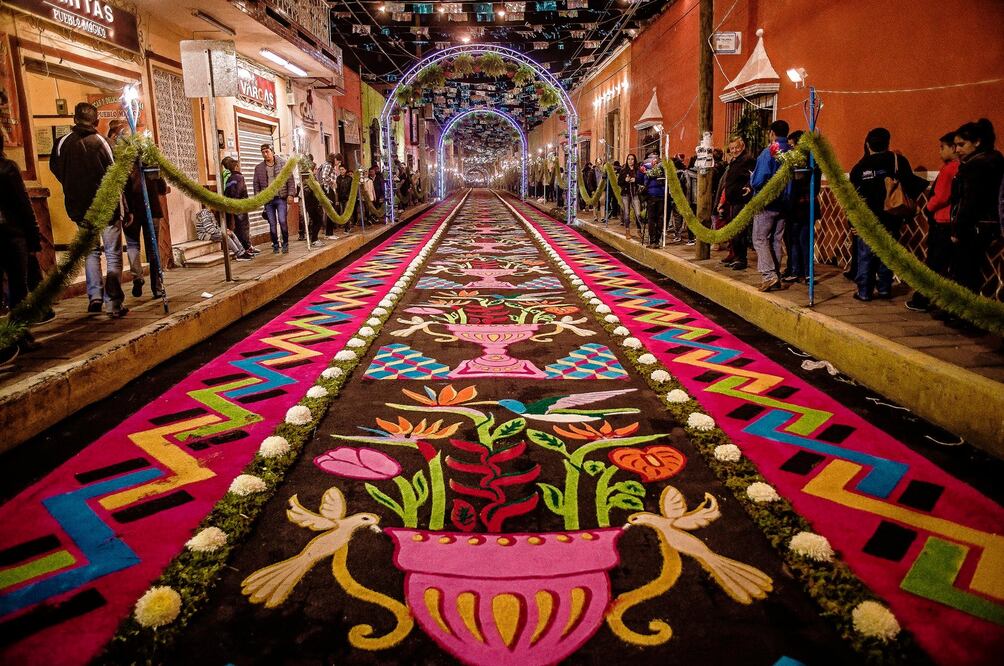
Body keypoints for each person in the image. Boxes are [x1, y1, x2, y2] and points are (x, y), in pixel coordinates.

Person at [49, 102, 127, 316]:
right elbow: (117, 176)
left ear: (74, 119)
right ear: (97, 121)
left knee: (90, 252)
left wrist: (73, 187)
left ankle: (95, 297)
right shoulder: (104, 142)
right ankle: (114, 303)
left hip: (78, 207)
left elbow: (56, 170)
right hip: (106, 206)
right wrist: (124, 207)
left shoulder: (61, 143)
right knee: (112, 254)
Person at [849, 128, 927, 301]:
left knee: (866, 256)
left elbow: (852, 198)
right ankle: (884, 289)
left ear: (868, 144)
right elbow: (910, 185)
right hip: (892, 216)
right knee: (888, 254)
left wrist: (852, 223)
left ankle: (864, 292)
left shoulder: (860, 166)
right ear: (888, 143)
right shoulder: (898, 161)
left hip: (866, 219)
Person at [108, 120, 167, 299]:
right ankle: (157, 286)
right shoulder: (150, 163)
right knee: (153, 248)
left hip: (131, 212)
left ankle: (137, 276)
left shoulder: (122, 167)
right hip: (150, 210)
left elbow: (122, 190)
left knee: (133, 246)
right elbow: (162, 188)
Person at [950, 118, 1004, 302]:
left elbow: (969, 202)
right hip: (985, 226)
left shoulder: (977, 166)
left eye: (961, 144)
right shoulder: (991, 161)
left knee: (965, 272)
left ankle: (966, 313)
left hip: (974, 228)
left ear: (977, 142)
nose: (957, 150)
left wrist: (958, 229)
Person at [905, 132, 959, 312]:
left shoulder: (950, 169)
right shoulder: (961, 168)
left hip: (942, 221)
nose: (939, 152)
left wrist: (927, 208)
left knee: (934, 264)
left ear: (953, 148)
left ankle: (922, 299)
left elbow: (941, 196)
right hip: (951, 222)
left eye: (942, 148)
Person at [0, 132, 46, 317]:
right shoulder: (8, 168)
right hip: (11, 234)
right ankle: (18, 333)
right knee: (18, 285)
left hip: (10, 233)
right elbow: (23, 204)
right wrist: (34, 237)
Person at [750, 120, 792, 291]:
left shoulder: (770, 152)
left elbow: (759, 179)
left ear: (772, 133)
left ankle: (769, 275)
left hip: (767, 202)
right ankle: (776, 275)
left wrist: (751, 180)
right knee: (775, 239)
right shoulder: (792, 152)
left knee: (760, 239)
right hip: (785, 202)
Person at [718, 137, 756, 269]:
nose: (734, 150)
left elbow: (752, 176)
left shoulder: (747, 160)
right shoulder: (734, 161)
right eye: (732, 148)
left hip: (741, 200)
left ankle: (741, 259)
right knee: (733, 230)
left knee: (739, 231)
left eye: (736, 147)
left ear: (742, 146)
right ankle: (735, 256)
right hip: (732, 200)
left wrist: (748, 187)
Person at [253, 143, 295, 254]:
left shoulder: (283, 164)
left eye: (267, 151)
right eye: (263, 152)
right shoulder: (259, 168)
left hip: (281, 198)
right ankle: (275, 245)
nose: (265, 154)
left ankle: (285, 243)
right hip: (268, 200)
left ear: (272, 151)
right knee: (272, 224)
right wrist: (258, 198)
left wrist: (291, 194)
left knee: (282, 221)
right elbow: (256, 184)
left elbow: (290, 181)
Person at [642, 152, 667, 247]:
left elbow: (645, 181)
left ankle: (653, 240)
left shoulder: (647, 169)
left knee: (652, 219)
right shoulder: (663, 167)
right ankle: (657, 240)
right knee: (660, 218)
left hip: (652, 195)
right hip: (661, 194)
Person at [618, 153, 644, 240]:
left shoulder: (638, 170)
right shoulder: (623, 170)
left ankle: (639, 229)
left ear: (634, 160)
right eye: (629, 159)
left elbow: (642, 180)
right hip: (625, 194)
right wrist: (625, 180)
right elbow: (619, 182)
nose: (630, 161)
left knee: (638, 212)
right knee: (627, 213)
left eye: (632, 159)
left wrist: (635, 180)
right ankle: (627, 230)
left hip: (635, 193)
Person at [318, 153, 342, 239]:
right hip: (328, 189)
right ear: (335, 159)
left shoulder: (327, 165)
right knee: (330, 211)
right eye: (338, 162)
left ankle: (329, 232)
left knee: (330, 211)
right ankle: (329, 233)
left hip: (329, 189)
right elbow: (324, 176)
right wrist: (333, 182)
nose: (338, 164)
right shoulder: (328, 165)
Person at [335, 165, 353, 233]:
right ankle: (345, 226)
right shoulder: (338, 178)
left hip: (347, 198)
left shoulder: (349, 178)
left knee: (347, 212)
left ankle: (347, 227)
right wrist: (337, 199)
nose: (341, 171)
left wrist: (350, 198)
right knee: (342, 213)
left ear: (345, 170)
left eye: (342, 169)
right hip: (340, 198)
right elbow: (337, 189)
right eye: (340, 169)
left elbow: (351, 189)